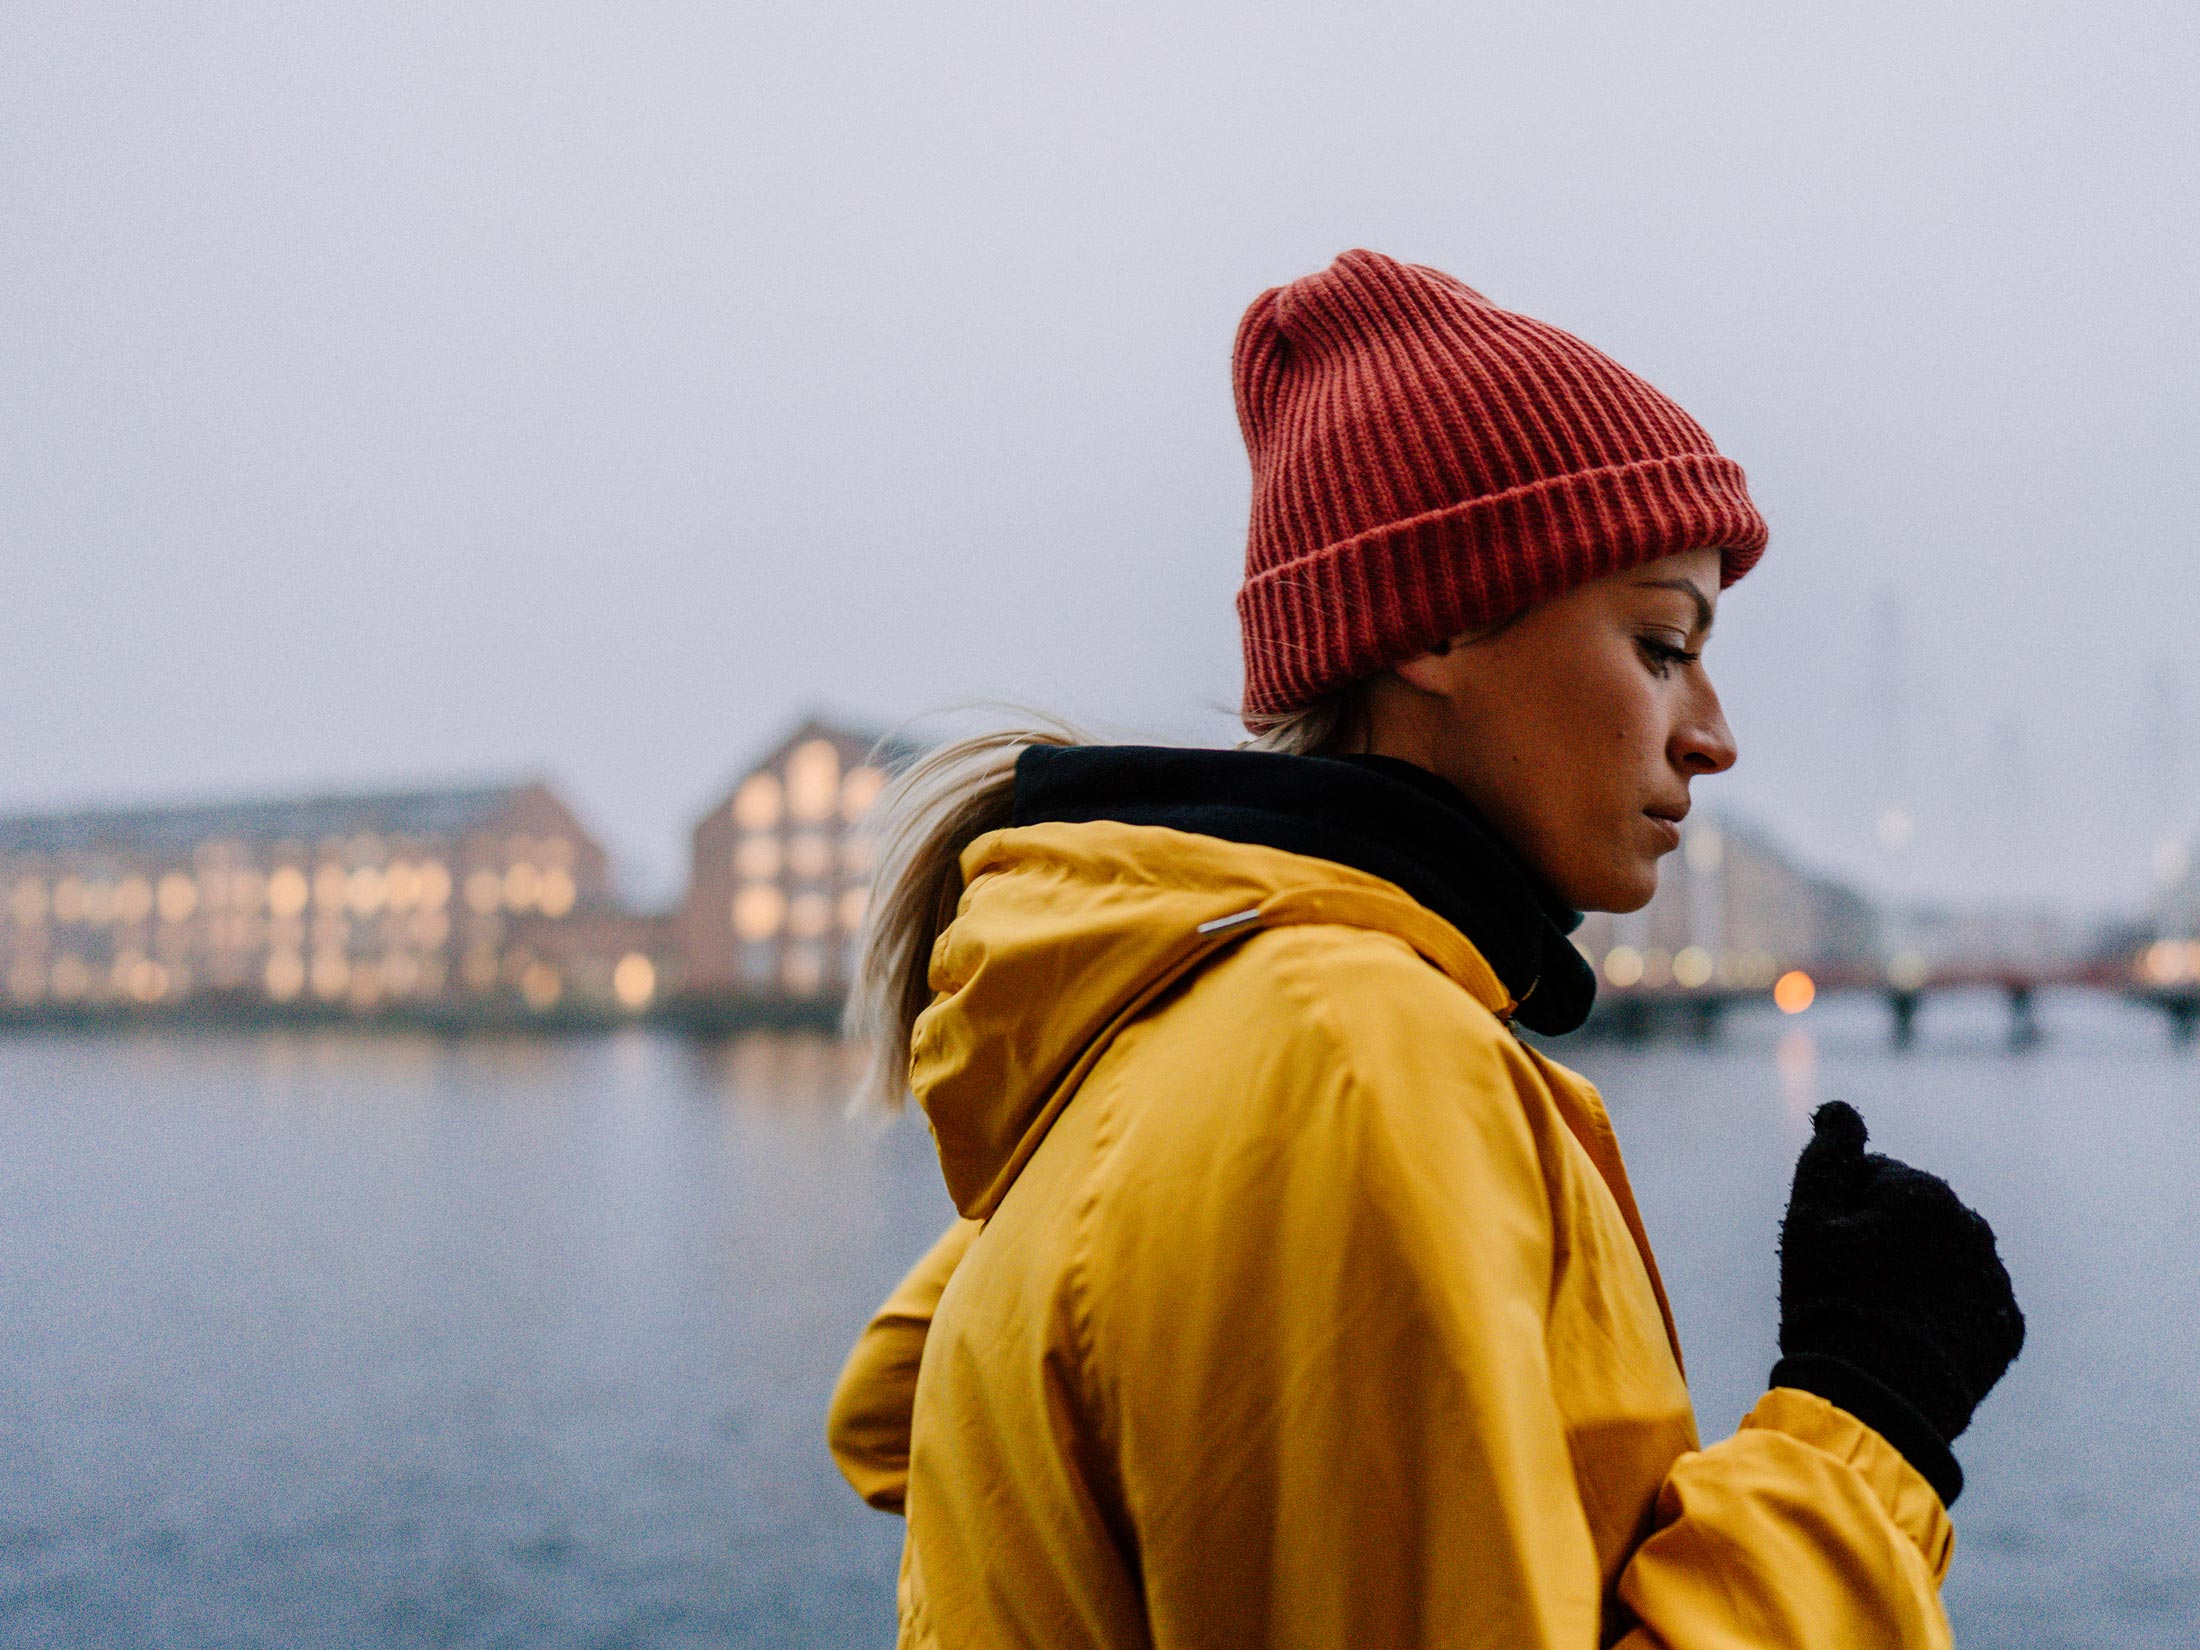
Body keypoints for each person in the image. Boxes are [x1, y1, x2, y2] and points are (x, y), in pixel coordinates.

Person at [826, 250, 2024, 1648]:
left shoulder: (1171, 1033)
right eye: (1659, 642)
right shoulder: (1347, 1058)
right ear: (1443, 618)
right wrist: (1862, 1426)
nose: (1712, 732)